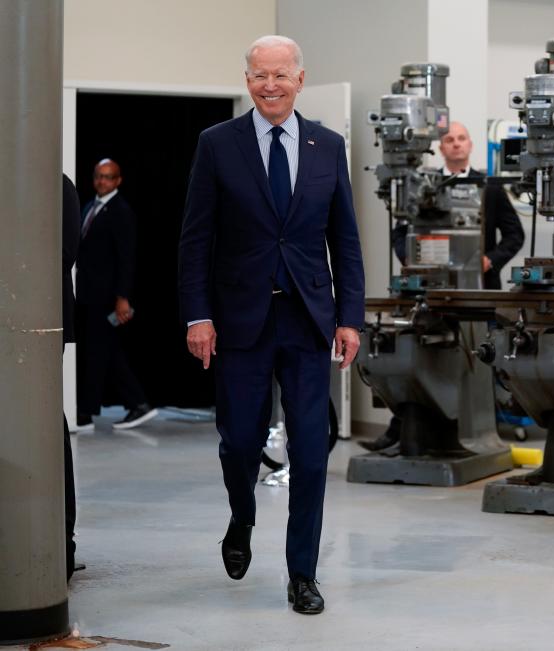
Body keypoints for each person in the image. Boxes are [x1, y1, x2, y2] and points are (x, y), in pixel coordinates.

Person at [178, 35, 364, 615]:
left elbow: (346, 241)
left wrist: (350, 317)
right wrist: (198, 314)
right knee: (239, 442)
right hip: (239, 322)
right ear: (248, 79)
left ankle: (302, 574)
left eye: (281, 75)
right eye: (260, 75)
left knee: (311, 453)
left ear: (300, 81)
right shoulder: (217, 144)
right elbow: (196, 239)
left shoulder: (327, 147)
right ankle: (241, 518)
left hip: (308, 320)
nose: (270, 86)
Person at [364, 121, 523, 452]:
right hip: (429, 290)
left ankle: (476, 430)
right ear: (439, 147)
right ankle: (402, 428)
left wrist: (489, 260)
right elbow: (399, 233)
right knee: (422, 358)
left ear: (470, 145)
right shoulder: (424, 186)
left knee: (476, 359)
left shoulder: (489, 187)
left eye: (462, 138)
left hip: (478, 291)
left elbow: (514, 235)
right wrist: (412, 259)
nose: (455, 144)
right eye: (449, 139)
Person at [74, 159, 158, 431]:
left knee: (100, 352)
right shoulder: (90, 206)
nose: (102, 181)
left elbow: (127, 258)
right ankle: (137, 404)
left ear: (118, 180)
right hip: (89, 294)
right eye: (99, 176)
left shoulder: (121, 211)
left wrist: (123, 297)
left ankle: (86, 413)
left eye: (108, 177)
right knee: (104, 351)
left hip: (108, 297)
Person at [62, 174, 82, 579]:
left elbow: (63, 254)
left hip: (41, 319)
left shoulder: (57, 184)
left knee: (47, 422)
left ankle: (61, 541)